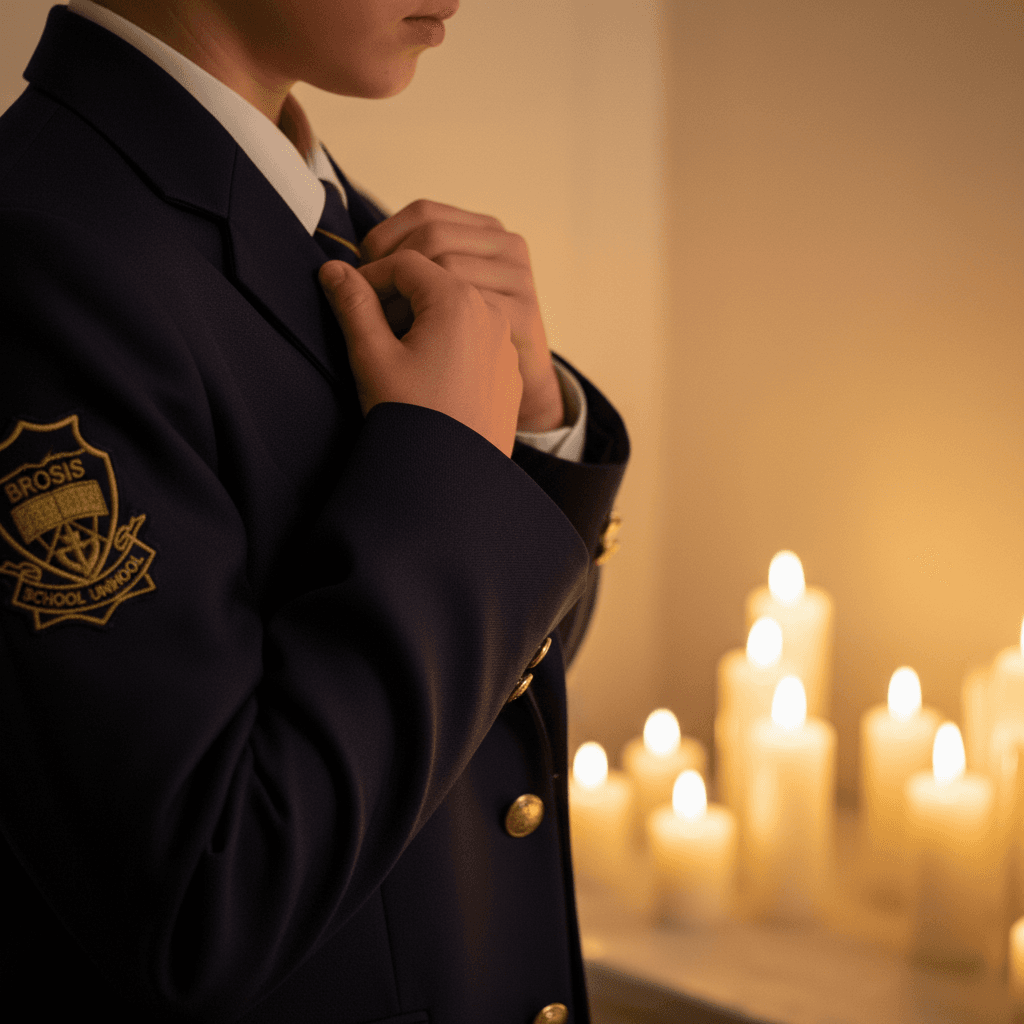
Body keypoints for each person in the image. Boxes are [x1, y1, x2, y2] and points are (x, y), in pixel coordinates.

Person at [0, 2, 629, 1021]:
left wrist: (538, 420)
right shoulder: (40, 261)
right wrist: (454, 464)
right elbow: (205, 893)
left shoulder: (342, 223)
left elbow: (492, 694)